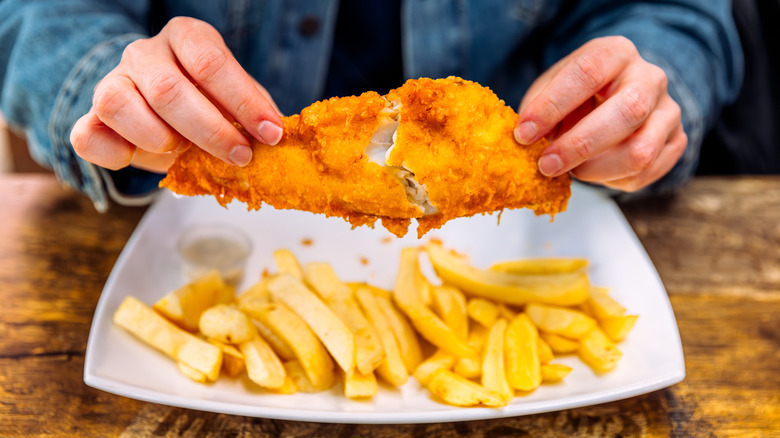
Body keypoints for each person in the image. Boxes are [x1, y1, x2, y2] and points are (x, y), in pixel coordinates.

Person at [0, 0, 743, 212]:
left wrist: (647, 88)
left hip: (558, 220)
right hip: (174, 231)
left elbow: (676, 14)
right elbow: (40, 15)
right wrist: (115, 86)